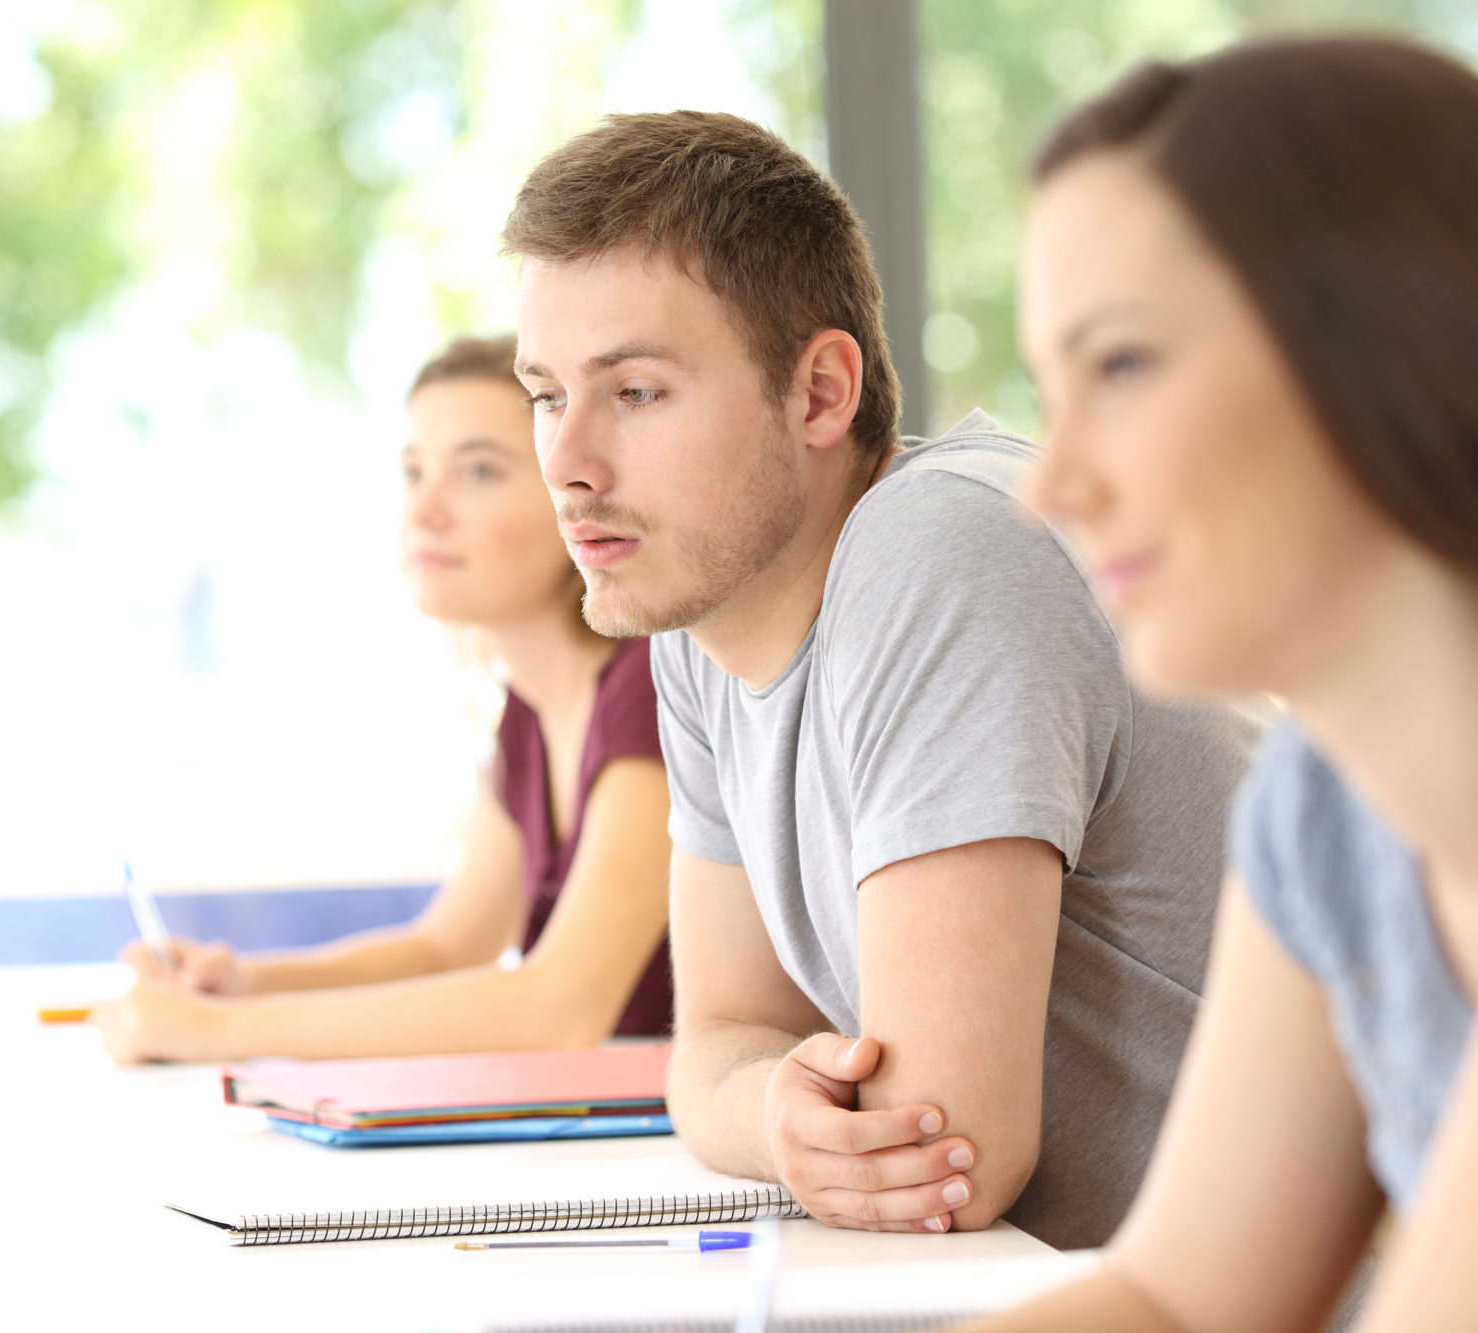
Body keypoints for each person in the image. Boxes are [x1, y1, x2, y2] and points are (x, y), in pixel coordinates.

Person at [969, 34, 1478, 1331]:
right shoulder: (1330, 800)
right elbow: (1178, 1295)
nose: (1051, 487)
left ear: (1396, 338)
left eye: (1119, 366)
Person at [501, 112, 1259, 1249]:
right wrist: (775, 1111)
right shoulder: (696, 624)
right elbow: (716, 1042)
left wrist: (777, 1106)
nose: (564, 464)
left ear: (817, 392)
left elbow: (946, 1148)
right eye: (547, 395)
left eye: (637, 391)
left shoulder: (943, 548)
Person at [90, 334, 674, 1064]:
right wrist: (236, 983)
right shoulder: (527, 718)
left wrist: (211, 1034)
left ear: (575, 486)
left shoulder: (652, 686)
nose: (424, 509)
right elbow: (445, 947)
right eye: (412, 471)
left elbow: (559, 1005)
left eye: (479, 471)